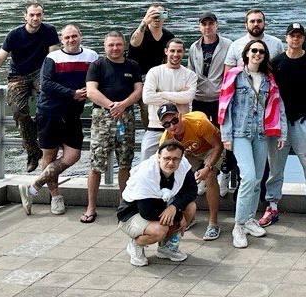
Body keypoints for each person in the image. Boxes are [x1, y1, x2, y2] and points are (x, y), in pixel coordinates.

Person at [20, 24, 98, 215]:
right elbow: (45, 84)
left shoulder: (92, 56)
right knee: (49, 156)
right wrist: (72, 93)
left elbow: (97, 79)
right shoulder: (52, 58)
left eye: (74, 36)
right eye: (67, 37)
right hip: (49, 113)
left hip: (73, 115)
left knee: (73, 156)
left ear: (81, 36)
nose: (71, 40)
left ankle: (35, 184)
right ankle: (56, 197)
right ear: (62, 40)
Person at [219, 39, 287, 248]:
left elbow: (278, 106)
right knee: (247, 177)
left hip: (261, 134)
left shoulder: (269, 79)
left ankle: (249, 219)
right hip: (240, 134)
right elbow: (225, 106)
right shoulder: (235, 76)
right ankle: (238, 225)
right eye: (254, 51)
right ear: (247, 53)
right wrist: (226, 135)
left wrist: (282, 132)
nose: (257, 54)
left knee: (257, 179)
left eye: (261, 52)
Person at [0, 2, 58, 171]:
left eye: (39, 15)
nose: (35, 18)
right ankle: (32, 150)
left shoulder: (49, 30)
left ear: (43, 15)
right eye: (32, 15)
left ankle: (47, 140)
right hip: (18, 75)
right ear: (25, 16)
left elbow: (54, 56)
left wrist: (53, 79)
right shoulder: (14, 35)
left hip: (40, 72)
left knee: (50, 100)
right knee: (19, 111)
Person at [263, 22, 306, 229]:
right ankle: (272, 206)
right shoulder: (276, 62)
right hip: (279, 123)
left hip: (302, 121)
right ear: (286, 38)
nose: (295, 39)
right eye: (292, 36)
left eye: (299, 36)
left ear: (303, 39)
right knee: (275, 166)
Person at [82, 31, 143, 223]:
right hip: (103, 116)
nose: (115, 48)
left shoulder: (132, 65)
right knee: (96, 164)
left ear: (124, 45)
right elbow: (91, 91)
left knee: (125, 162)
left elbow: (138, 90)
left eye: (118, 44)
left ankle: (124, 205)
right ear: (105, 46)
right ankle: (91, 207)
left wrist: (123, 105)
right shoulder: (97, 65)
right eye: (111, 45)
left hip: (126, 116)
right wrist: (111, 105)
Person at [117, 140, 197, 266]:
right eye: (167, 158)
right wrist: (178, 216)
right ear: (159, 157)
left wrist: (175, 207)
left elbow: (192, 191)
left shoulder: (184, 166)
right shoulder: (146, 174)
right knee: (160, 230)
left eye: (176, 159)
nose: (171, 163)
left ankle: (166, 248)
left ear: (181, 159)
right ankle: (136, 244)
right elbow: (147, 213)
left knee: (191, 206)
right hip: (132, 214)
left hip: (161, 207)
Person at [158, 103, 224, 240]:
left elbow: (218, 145)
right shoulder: (166, 138)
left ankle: (213, 223)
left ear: (180, 115)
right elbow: (163, 162)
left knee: (210, 176)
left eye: (175, 121)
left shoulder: (199, 123)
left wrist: (208, 167)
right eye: (166, 124)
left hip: (210, 148)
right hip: (189, 153)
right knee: (177, 175)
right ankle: (188, 216)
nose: (172, 126)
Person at [141, 40, 198, 159]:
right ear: (166, 52)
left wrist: (161, 93)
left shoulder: (190, 75)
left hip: (180, 128)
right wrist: (179, 97)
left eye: (179, 51)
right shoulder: (154, 72)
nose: (175, 54)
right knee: (145, 164)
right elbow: (147, 98)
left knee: (180, 167)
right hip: (155, 126)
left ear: (183, 53)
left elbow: (189, 97)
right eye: (172, 51)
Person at [127, 4, 174, 124]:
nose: (156, 17)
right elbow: (134, 43)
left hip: (156, 77)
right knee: (139, 108)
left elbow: (168, 59)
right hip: (135, 77)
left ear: (165, 16)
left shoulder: (168, 36)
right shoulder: (140, 32)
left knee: (153, 109)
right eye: (152, 14)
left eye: (160, 14)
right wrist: (144, 22)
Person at [188, 11, 230, 124]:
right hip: (198, 98)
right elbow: (190, 72)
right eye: (204, 24)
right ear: (199, 27)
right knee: (198, 132)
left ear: (217, 25)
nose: (207, 27)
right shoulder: (194, 47)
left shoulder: (228, 45)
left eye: (211, 23)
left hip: (219, 98)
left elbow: (231, 73)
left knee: (220, 131)